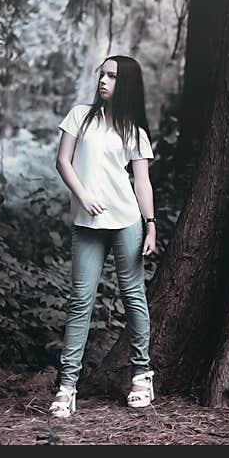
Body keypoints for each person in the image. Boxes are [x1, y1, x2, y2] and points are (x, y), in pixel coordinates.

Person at [49, 55, 157, 418]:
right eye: (102, 74)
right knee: (81, 301)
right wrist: (83, 196)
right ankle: (67, 387)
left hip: (126, 220)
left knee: (133, 297)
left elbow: (141, 181)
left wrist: (151, 224)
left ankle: (142, 376)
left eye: (112, 76)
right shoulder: (80, 116)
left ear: (126, 84)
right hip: (87, 223)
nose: (104, 80)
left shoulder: (135, 131)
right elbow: (63, 161)